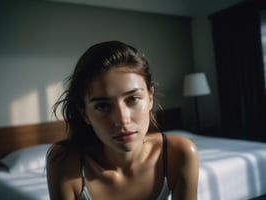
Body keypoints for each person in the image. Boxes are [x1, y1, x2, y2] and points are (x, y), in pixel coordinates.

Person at [46, 41, 199, 200]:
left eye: (133, 99)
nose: (122, 120)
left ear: (150, 97)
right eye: (103, 106)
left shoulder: (178, 154)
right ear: (85, 114)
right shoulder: (65, 162)